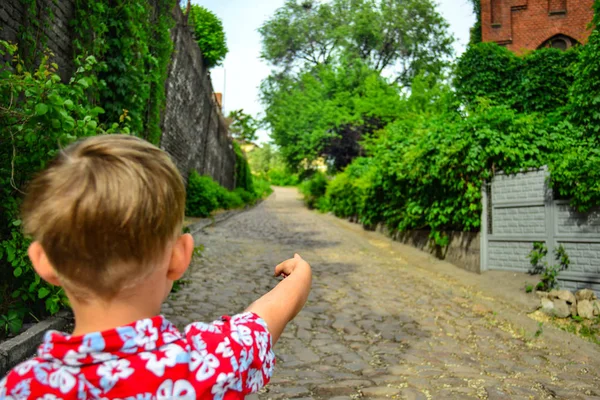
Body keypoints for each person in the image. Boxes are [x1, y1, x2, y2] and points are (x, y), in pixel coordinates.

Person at [0, 135, 312, 399]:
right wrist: (300, 272)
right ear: (179, 257)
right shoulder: (211, 362)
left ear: (44, 262)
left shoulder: (21, 388)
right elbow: (264, 318)